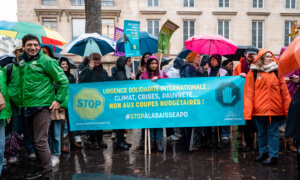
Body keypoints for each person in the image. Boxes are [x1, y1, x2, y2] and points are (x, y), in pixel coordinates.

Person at [20, 34, 69, 180]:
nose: (33, 47)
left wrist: (59, 100)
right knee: (34, 141)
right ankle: (41, 169)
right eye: (29, 45)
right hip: (27, 107)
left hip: (42, 106)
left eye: (35, 45)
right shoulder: (22, 63)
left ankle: (48, 175)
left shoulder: (47, 61)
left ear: (39, 46)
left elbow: (63, 81)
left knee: (40, 141)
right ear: (23, 47)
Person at [244, 49, 291, 166]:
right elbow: (248, 94)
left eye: (271, 57)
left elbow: (284, 93)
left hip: (275, 109)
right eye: (268, 57)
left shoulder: (277, 72)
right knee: (261, 133)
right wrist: (248, 112)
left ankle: (273, 156)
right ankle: (263, 152)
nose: (271, 58)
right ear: (261, 59)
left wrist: (287, 111)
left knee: (273, 133)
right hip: (259, 110)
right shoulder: (253, 73)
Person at [4, 45, 36, 165]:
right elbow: (5, 86)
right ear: (15, 53)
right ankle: (13, 153)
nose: (22, 53)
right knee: (14, 128)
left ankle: (29, 150)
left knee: (28, 128)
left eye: (24, 51)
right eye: (20, 51)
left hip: (27, 103)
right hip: (13, 103)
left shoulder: (29, 66)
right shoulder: (9, 67)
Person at [79, 52, 108, 150]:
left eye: (98, 59)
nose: (96, 61)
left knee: (100, 120)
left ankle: (100, 139)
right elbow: (82, 82)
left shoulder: (103, 71)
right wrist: (89, 70)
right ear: (91, 60)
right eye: (94, 59)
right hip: (89, 100)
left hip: (100, 100)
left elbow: (107, 83)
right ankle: (93, 140)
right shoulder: (85, 70)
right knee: (91, 121)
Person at [140, 56, 168, 152]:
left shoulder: (161, 73)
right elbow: (139, 87)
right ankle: (151, 142)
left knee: (159, 123)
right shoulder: (143, 75)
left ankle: (159, 142)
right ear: (148, 64)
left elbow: (169, 82)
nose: (154, 65)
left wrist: (159, 78)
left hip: (160, 103)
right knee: (150, 123)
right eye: (152, 63)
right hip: (148, 103)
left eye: (155, 63)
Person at [41, 46, 63, 167]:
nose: (44, 54)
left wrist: (61, 103)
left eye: (46, 52)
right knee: (45, 134)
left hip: (55, 105)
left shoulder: (54, 67)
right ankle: (47, 154)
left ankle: (56, 154)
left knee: (55, 132)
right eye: (42, 52)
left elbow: (63, 85)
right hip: (44, 105)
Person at [233, 47, 258, 152]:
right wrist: (239, 76)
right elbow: (233, 80)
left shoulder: (259, 66)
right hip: (244, 97)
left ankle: (257, 144)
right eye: (249, 54)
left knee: (257, 123)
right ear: (245, 54)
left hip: (257, 97)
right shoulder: (238, 66)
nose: (251, 56)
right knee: (247, 122)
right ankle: (248, 144)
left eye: (253, 54)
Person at [59, 57, 82, 153]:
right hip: (61, 104)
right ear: (59, 65)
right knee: (61, 124)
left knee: (71, 123)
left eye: (66, 64)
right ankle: (61, 145)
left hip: (71, 103)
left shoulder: (71, 76)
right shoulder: (57, 76)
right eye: (63, 64)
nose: (65, 66)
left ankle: (73, 141)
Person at [114, 56, 135, 150]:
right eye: (128, 61)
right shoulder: (121, 74)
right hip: (120, 103)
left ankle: (122, 140)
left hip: (122, 102)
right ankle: (119, 143)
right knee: (120, 123)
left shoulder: (124, 72)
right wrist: (131, 80)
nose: (130, 63)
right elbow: (124, 87)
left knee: (122, 123)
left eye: (130, 61)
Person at [0, 66, 12, 176]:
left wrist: (8, 112)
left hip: (2, 113)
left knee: (1, 146)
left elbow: (5, 92)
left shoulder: (1, 70)